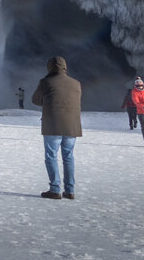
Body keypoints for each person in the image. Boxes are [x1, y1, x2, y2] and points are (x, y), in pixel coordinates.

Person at [31, 56, 82, 200]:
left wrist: (49, 100)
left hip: (53, 124)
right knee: (69, 157)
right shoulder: (76, 83)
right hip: (72, 125)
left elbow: (35, 100)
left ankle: (55, 189)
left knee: (51, 156)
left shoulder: (46, 81)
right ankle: (70, 190)